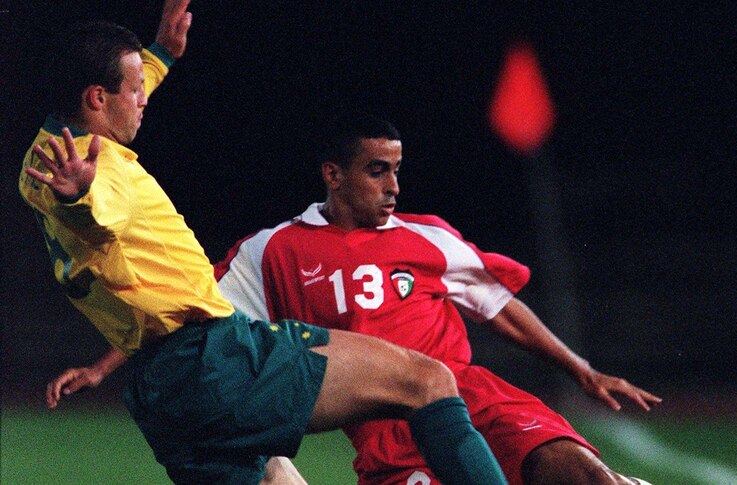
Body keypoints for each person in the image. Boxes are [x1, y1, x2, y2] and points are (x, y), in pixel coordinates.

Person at [19, 3, 510, 484]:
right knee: (427, 381)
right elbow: (98, 217)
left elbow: (109, 122)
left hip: (159, 392)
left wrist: (161, 56)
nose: (144, 96)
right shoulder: (99, 172)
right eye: (135, 88)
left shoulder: (41, 159)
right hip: (214, 360)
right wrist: (81, 199)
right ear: (98, 99)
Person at [214, 115, 661, 485]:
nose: (394, 186)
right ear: (333, 175)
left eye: (396, 170)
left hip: (470, 397)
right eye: (377, 171)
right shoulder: (273, 250)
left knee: (582, 474)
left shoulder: (427, 236)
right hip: (384, 429)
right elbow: (206, 312)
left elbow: (498, 307)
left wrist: (583, 372)